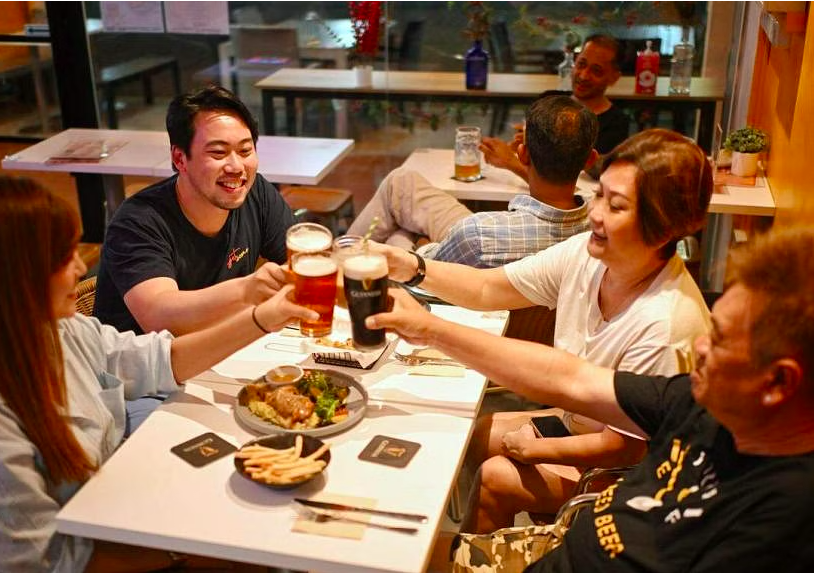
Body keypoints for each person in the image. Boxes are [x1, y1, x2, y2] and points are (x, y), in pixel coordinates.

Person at [367, 225, 814, 572]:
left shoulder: (781, 517)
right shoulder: (704, 404)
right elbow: (570, 379)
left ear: (778, 382)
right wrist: (428, 328)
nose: (699, 345)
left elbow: (616, 444)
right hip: (557, 548)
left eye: (719, 339)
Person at [0, 177, 315, 572]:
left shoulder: (56, 330)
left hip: (121, 508)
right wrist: (187, 549)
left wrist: (261, 319)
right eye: (63, 257)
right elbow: (53, 562)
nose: (82, 267)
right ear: (11, 277)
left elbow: (160, 361)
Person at [367, 129, 713, 534]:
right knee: (473, 435)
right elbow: (487, 288)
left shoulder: (665, 324)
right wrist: (412, 267)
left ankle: (497, 552)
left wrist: (537, 450)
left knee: (496, 477)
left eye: (616, 206)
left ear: (663, 227)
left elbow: (624, 447)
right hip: (582, 423)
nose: (595, 213)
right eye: (598, 195)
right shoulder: (586, 254)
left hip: (640, 476)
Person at [94, 85, 296, 336]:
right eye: (218, 153)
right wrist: (246, 290)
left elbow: (301, 264)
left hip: (226, 350)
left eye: (245, 151)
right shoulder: (137, 222)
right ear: (180, 159)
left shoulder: (256, 193)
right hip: (149, 359)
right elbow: (159, 318)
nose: (236, 167)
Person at [347, 96, 598, 268]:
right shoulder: (603, 227)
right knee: (401, 183)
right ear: (590, 160)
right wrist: (512, 164)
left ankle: (341, 268)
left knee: (399, 233)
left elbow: (426, 269)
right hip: (506, 245)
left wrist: (421, 243)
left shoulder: (477, 234)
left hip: (448, 273)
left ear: (522, 153)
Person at [484, 34, 630, 185]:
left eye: (596, 71)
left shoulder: (616, 124)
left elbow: (568, 188)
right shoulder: (547, 100)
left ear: (614, 78)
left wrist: (511, 162)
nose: (584, 76)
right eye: (581, 64)